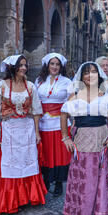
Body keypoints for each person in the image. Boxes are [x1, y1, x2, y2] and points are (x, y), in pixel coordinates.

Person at [60, 61, 108, 215]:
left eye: (93, 72)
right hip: (81, 140)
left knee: (98, 177)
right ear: (82, 77)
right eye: (86, 72)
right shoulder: (75, 96)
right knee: (84, 178)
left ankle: (97, 212)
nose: (90, 75)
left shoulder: (105, 96)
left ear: (99, 75)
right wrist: (65, 138)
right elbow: (63, 115)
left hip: (100, 140)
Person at [0, 55, 47, 215]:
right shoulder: (2, 85)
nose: (24, 68)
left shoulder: (31, 86)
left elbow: (35, 111)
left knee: (27, 162)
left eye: (25, 65)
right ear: (12, 68)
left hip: (27, 129)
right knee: (10, 164)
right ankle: (11, 199)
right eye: (20, 65)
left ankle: (26, 197)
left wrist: (37, 133)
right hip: (9, 129)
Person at [35, 53, 72, 196]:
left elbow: (70, 102)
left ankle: (58, 183)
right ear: (47, 65)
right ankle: (45, 179)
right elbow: (35, 100)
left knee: (60, 154)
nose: (55, 67)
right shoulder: (39, 80)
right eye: (52, 64)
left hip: (59, 123)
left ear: (61, 66)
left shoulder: (67, 82)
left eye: (57, 64)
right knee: (46, 153)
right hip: (43, 122)